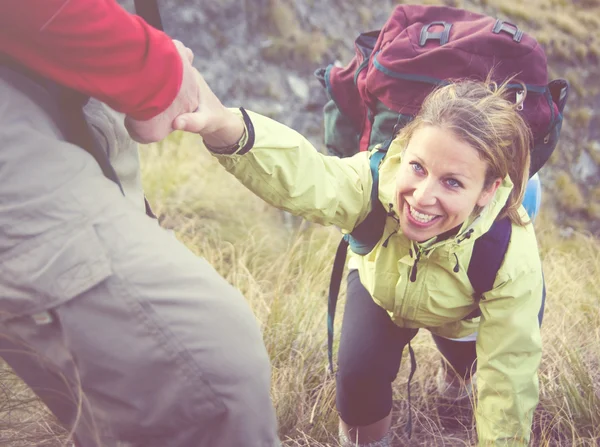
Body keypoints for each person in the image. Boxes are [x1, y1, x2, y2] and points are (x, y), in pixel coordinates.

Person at [175, 73, 545, 446]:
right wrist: (226, 126)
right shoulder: (373, 180)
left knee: (468, 365)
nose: (421, 197)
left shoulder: (509, 254)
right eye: (417, 167)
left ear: (488, 190)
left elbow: (509, 375)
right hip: (381, 287)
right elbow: (308, 176)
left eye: (452, 182)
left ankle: (455, 384)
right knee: (357, 378)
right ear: (404, 148)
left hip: (464, 313)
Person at [0, 2, 279, 446]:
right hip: (30, 85)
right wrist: (154, 69)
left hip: (62, 83)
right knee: (216, 364)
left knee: (126, 393)